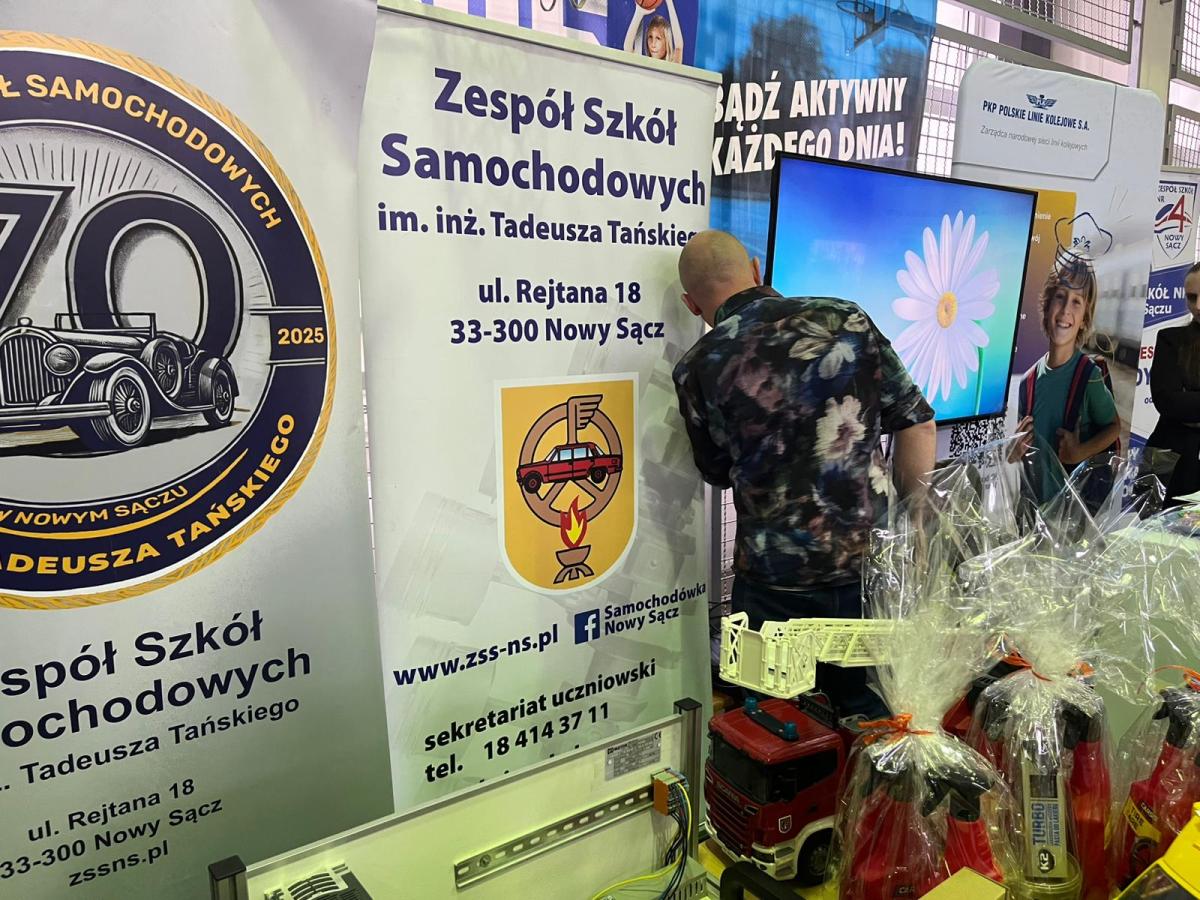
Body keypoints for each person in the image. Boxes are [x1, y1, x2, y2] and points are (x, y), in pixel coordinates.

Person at [672, 230, 936, 720]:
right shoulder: (847, 319)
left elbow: (716, 471)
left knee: (776, 731)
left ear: (691, 304)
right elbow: (917, 423)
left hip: (772, 590)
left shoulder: (696, 368)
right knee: (879, 725)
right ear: (756, 270)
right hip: (869, 577)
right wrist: (916, 525)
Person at [1012, 257, 1120, 502]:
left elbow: (1113, 426)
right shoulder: (1028, 382)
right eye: (1060, 297)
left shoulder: (1089, 376)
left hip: (1075, 512)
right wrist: (1015, 449)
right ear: (1047, 305)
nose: (1065, 311)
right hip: (1034, 508)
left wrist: (1079, 452)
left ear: (1084, 319)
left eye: (1076, 301)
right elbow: (1024, 447)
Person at [1148, 263, 1200, 504]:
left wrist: (1190, 400)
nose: (1197, 306)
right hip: (1174, 463)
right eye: (1192, 297)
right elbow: (1167, 401)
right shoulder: (1171, 340)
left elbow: (1181, 402)